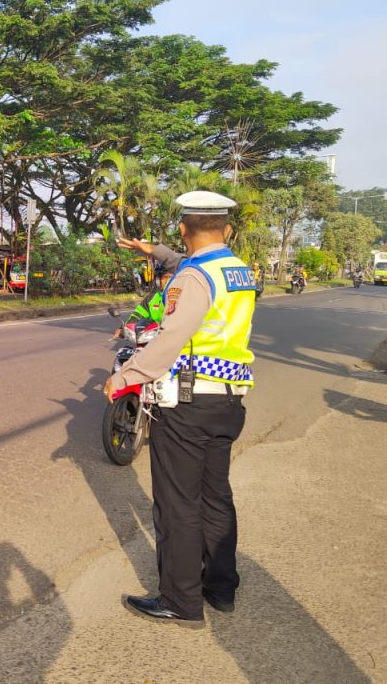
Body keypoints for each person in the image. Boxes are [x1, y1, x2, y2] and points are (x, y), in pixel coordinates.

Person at [105, 191, 257, 626]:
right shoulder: (238, 270)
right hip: (228, 399)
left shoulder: (193, 277)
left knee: (178, 504)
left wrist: (125, 378)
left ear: (185, 228)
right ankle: (221, 587)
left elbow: (171, 338)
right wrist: (152, 249)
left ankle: (180, 600)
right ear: (225, 228)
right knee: (215, 496)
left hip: (187, 401)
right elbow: (178, 257)